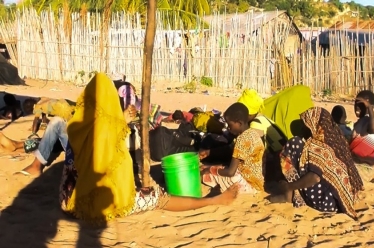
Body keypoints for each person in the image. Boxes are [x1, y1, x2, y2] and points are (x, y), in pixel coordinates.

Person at [59, 73, 239, 223]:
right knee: (157, 198)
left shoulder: (77, 126)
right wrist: (121, 122)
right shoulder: (107, 128)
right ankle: (213, 201)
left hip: (66, 198)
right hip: (94, 203)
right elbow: (103, 151)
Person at [268, 107, 364, 220]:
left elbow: (314, 177)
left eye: (305, 124)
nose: (303, 128)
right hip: (344, 198)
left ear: (313, 126)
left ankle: (291, 195)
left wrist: (289, 186)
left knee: (294, 143)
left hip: (327, 201)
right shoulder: (337, 138)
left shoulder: (317, 146)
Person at [201, 103, 265, 194]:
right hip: (257, 182)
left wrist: (209, 169)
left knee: (207, 173)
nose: (228, 128)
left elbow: (230, 172)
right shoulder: (253, 134)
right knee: (218, 168)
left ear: (239, 123)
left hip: (247, 184)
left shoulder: (241, 140)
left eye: (230, 125)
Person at [349, 90, 374, 180]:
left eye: (361, 105)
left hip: (363, 167)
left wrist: (369, 108)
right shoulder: (359, 122)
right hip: (355, 163)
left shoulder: (368, 122)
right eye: (355, 104)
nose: (357, 108)